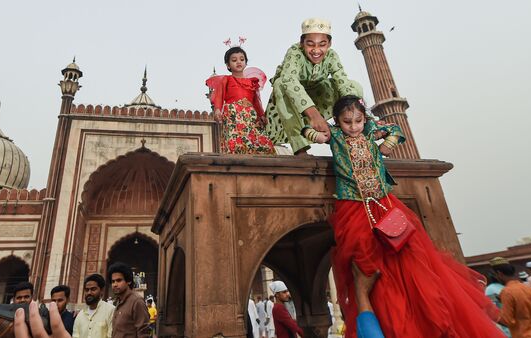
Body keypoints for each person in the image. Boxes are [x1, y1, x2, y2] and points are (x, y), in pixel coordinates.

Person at [304, 95, 506, 337]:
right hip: (354, 204)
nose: (353, 126)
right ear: (337, 121)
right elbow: (306, 130)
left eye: (358, 120)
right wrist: (318, 134)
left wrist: (387, 145)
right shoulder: (336, 136)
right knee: (366, 257)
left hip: (383, 202)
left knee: (407, 255)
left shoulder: (369, 131)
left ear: (364, 118)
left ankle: (414, 310)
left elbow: (395, 129)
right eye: (347, 122)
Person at [265, 18, 363, 155]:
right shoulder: (295, 53)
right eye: (310, 44)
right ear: (302, 43)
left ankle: (348, 136)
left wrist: (357, 111)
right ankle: (300, 148)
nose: (316, 50)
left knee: (354, 88)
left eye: (322, 45)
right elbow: (289, 80)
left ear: (329, 44)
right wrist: (314, 116)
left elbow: (342, 80)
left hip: (317, 101)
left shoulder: (332, 56)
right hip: (286, 112)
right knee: (281, 83)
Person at [206, 46, 275, 154]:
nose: (238, 62)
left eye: (242, 59)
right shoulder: (226, 80)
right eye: (234, 60)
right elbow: (219, 95)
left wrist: (261, 115)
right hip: (233, 115)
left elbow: (256, 101)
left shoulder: (252, 82)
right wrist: (218, 110)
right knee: (236, 143)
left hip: (250, 115)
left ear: (246, 63)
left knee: (260, 144)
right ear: (228, 65)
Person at [492, 261, 531, 337]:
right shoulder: (530, 289)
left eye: (495, 275)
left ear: (499, 274)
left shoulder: (507, 292)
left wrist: (491, 314)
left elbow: (506, 320)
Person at [107, 262, 149, 338]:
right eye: (113, 281)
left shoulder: (137, 302)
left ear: (128, 281)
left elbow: (143, 333)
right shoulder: (119, 302)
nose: (115, 284)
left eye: (119, 280)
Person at [73, 274, 114, 338]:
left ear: (102, 291)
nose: (89, 293)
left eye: (93, 289)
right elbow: (75, 336)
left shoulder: (111, 311)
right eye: (87, 290)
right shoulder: (80, 315)